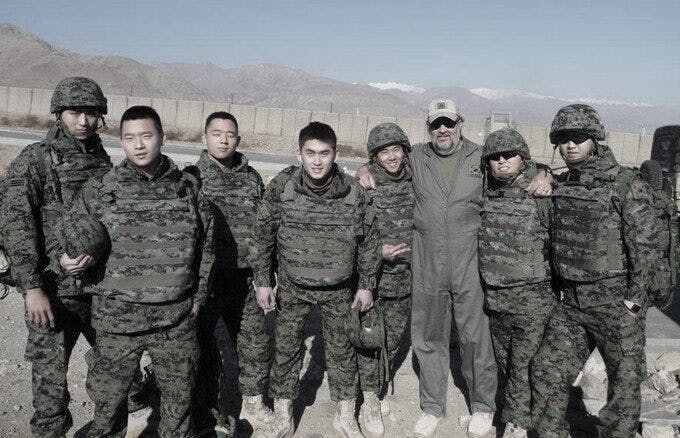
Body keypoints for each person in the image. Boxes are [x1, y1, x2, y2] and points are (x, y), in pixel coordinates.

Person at [356, 99, 553, 438]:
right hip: (427, 261)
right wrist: (363, 168)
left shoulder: (481, 155)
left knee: (475, 338)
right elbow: (383, 162)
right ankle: (432, 406)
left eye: (448, 122)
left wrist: (544, 173)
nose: (443, 129)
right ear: (428, 128)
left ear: (460, 123)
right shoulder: (417, 156)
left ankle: (483, 406)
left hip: (469, 260)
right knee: (428, 336)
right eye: (436, 124)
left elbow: (520, 165)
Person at [66, 105, 214, 437]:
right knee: (108, 411)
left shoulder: (188, 190)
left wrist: (198, 300)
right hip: (117, 320)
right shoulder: (99, 189)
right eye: (129, 138)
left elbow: (207, 248)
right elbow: (71, 236)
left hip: (175, 320)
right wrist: (66, 261)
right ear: (121, 142)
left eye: (146, 136)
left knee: (179, 411)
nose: (139, 145)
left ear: (162, 137)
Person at [530, 104, 657, 437]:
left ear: (595, 139)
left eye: (579, 137)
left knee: (623, 389)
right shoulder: (561, 182)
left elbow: (645, 249)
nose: (570, 145)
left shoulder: (625, 183)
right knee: (545, 372)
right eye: (564, 139)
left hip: (616, 306)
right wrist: (542, 171)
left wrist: (633, 304)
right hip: (572, 304)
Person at [249, 121, 381, 437]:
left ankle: (345, 416)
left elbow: (369, 241)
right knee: (286, 352)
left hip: (339, 289)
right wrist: (263, 280)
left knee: (342, 353)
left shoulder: (353, 192)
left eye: (324, 153)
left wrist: (366, 285)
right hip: (293, 286)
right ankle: (283, 417)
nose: (317, 161)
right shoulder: (282, 188)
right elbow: (262, 234)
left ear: (335, 154)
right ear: (299, 155)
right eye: (310, 153)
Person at [3, 76, 115, 437]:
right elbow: (16, 226)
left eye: (91, 113)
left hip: (97, 289)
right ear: (58, 113)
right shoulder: (35, 159)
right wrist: (32, 288)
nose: (83, 121)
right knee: (50, 387)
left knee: (114, 374)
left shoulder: (102, 160)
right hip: (52, 292)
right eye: (74, 112)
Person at [184, 111, 273, 434]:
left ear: (238, 139)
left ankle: (253, 402)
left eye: (230, 134)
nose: (223, 140)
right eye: (216, 133)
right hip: (206, 280)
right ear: (204, 137)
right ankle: (209, 410)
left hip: (244, 278)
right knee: (203, 347)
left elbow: (263, 229)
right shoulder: (191, 178)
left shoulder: (251, 177)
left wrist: (264, 278)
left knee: (254, 344)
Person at [478, 128, 556, 438]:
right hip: (497, 300)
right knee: (507, 365)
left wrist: (546, 175)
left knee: (524, 367)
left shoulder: (541, 194)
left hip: (532, 303)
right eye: (495, 157)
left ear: (522, 158)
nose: (502, 161)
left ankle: (517, 426)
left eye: (509, 155)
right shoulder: (487, 191)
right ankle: (518, 415)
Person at [356, 122, 414, 436]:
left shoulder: (416, 178)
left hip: (405, 278)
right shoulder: (365, 184)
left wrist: (541, 171)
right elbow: (351, 230)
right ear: (374, 156)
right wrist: (379, 251)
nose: (391, 157)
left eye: (395, 149)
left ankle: (378, 387)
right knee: (368, 339)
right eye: (383, 152)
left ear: (405, 151)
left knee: (392, 340)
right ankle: (368, 399)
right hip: (373, 277)